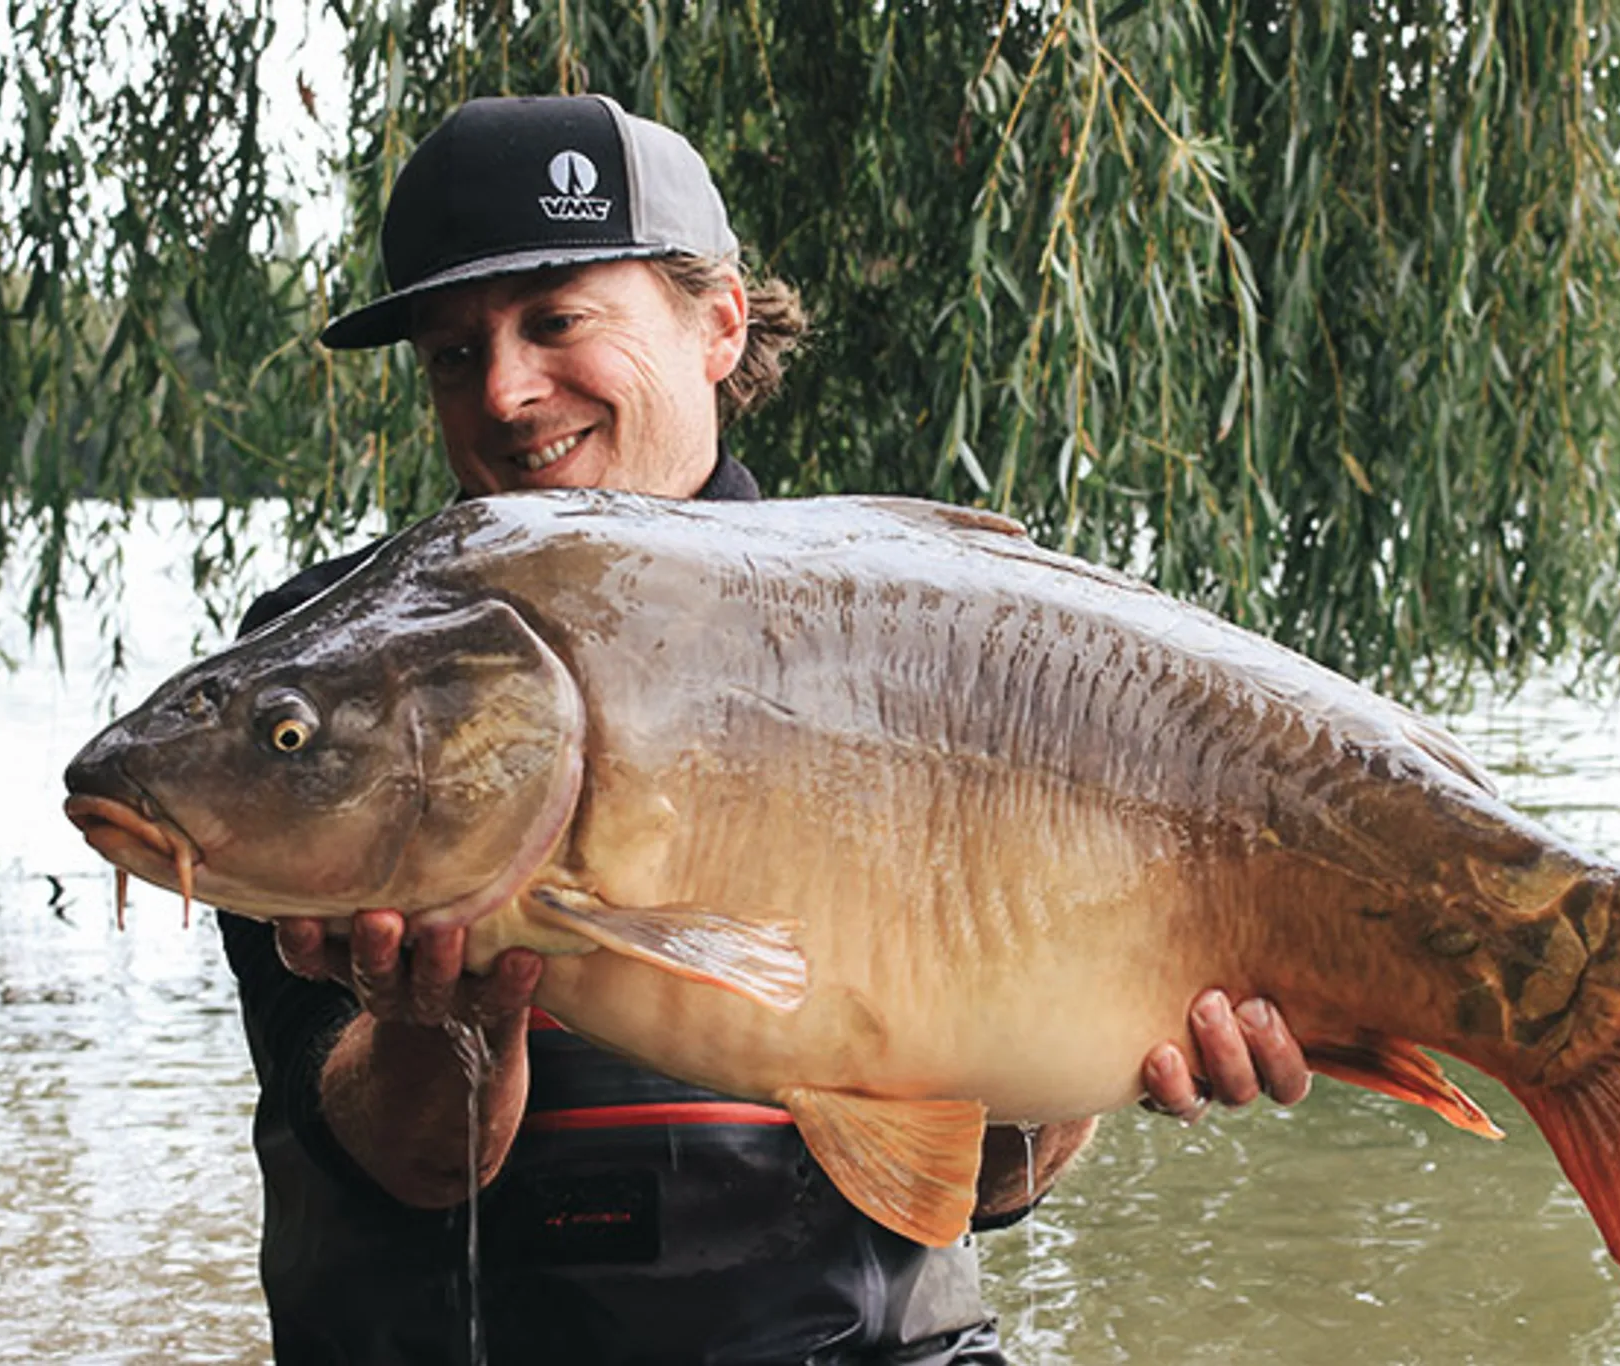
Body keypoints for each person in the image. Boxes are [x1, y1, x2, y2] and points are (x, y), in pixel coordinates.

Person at [218, 93, 1309, 1366]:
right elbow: (400, 1162)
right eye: (454, 352)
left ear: (718, 321)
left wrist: (1116, 1056)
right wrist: (442, 1019)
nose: (508, 389)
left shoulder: (942, 630)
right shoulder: (327, 675)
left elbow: (989, 1184)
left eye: (557, 319)